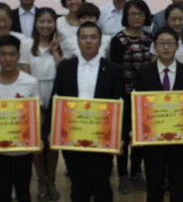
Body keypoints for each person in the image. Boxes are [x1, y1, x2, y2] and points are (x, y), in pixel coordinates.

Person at [51, 22, 126, 202]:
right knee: (78, 185)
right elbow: (56, 100)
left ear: (100, 41)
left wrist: (121, 136)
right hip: (73, 136)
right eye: (84, 37)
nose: (89, 41)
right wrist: (52, 132)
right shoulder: (65, 68)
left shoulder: (113, 69)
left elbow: (120, 104)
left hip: (102, 136)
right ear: (77, 41)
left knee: (102, 184)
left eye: (93, 37)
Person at [134, 27, 183, 202]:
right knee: (154, 185)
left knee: (179, 186)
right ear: (154, 47)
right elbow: (138, 106)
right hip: (153, 140)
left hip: (180, 139)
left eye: (170, 43)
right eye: (161, 43)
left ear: (177, 46)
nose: (165, 47)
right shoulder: (143, 73)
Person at [0, 35, 41, 202]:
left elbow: (37, 114)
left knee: (23, 193)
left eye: (12, 54)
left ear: (19, 56)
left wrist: (37, 139)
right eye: (3, 54)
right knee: (3, 193)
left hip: (23, 150)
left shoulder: (30, 82)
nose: (8, 59)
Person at [18, 8, 64, 200]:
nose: (46, 25)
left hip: (56, 96)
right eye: (42, 21)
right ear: (35, 24)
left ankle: (51, 180)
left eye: (49, 22)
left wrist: (55, 51)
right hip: (35, 96)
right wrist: (34, 101)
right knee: (38, 143)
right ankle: (41, 181)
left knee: (53, 143)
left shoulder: (61, 44)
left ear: (55, 24)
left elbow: (64, 72)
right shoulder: (26, 44)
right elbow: (25, 76)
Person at [109, 0, 154, 194]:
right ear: (126, 17)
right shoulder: (118, 40)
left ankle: (136, 171)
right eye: (132, 14)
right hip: (124, 94)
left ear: (146, 16)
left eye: (140, 14)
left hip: (144, 97)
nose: (136, 17)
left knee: (140, 135)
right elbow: (115, 71)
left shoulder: (150, 38)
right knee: (123, 136)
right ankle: (122, 175)